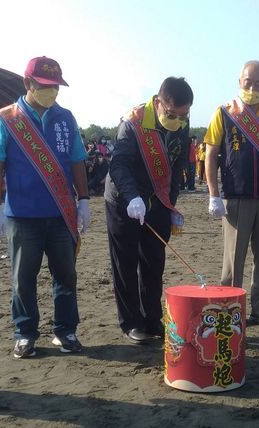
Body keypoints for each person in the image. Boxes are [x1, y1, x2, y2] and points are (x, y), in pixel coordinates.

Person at [0, 56, 90, 359]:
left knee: (66, 276)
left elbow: (77, 160)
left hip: (61, 214)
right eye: (45, 86)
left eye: (55, 86)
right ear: (28, 83)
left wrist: (83, 200)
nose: (51, 91)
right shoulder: (6, 118)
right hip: (22, 216)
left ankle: (65, 330)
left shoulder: (66, 118)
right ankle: (25, 333)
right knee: (23, 279)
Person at [105, 77, 192, 343]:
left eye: (183, 114)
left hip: (158, 201)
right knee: (126, 263)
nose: (177, 119)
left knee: (154, 262)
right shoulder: (133, 122)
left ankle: (152, 319)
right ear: (158, 102)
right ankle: (132, 322)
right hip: (124, 201)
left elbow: (177, 168)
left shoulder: (181, 124)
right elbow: (118, 164)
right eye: (171, 113)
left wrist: (171, 202)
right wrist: (132, 197)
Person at [205, 60, 259, 326]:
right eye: (248, 82)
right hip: (236, 198)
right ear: (239, 81)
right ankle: (230, 310)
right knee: (233, 260)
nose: (253, 87)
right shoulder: (224, 113)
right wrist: (213, 194)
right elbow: (210, 155)